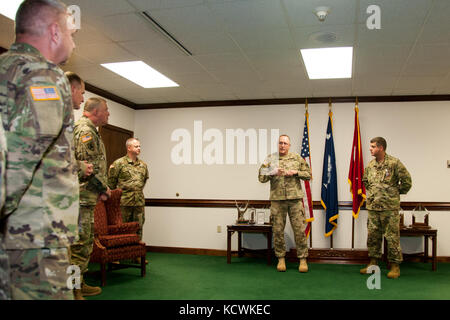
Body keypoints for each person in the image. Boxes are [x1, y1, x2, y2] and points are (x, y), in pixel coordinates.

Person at [0, 0, 79, 299]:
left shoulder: (5, 69)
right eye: (72, 33)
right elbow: (21, 157)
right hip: (35, 235)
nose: (75, 41)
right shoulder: (44, 74)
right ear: (55, 32)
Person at [70, 97, 111, 299]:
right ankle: (74, 289)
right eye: (106, 110)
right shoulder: (85, 131)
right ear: (95, 112)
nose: (108, 114)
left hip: (87, 197)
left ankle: (81, 282)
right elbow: (88, 167)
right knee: (79, 244)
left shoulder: (91, 130)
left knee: (85, 243)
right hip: (82, 195)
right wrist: (104, 188)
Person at [258, 135, 311, 273]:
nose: (282, 145)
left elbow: (308, 174)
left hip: (294, 200)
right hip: (277, 200)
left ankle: (303, 259)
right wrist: (272, 172)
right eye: (280, 143)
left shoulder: (297, 158)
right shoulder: (271, 158)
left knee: (299, 230)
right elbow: (260, 177)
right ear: (278, 144)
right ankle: (281, 258)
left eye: (285, 143)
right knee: (278, 230)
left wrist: (296, 172)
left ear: (289, 145)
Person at [361, 137, 412, 279]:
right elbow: (366, 181)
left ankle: (395, 266)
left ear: (381, 148)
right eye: (370, 146)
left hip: (389, 208)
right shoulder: (370, 165)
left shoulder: (394, 163)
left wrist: (394, 193)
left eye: (372, 146)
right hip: (373, 208)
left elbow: (407, 181)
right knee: (373, 237)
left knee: (392, 237)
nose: (370, 149)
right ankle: (373, 264)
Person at [108, 138, 149, 248]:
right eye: (136, 146)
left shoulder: (143, 165)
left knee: (138, 228)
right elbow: (111, 184)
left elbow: (143, 181)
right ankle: (117, 255)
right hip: (123, 202)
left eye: (139, 146)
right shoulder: (119, 163)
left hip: (138, 202)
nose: (139, 148)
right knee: (121, 229)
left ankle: (137, 255)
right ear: (129, 148)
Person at [65, 71, 93, 179]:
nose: (82, 99)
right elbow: (55, 156)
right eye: (82, 93)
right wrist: (80, 166)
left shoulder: (65, 114)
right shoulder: (58, 114)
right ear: (73, 89)